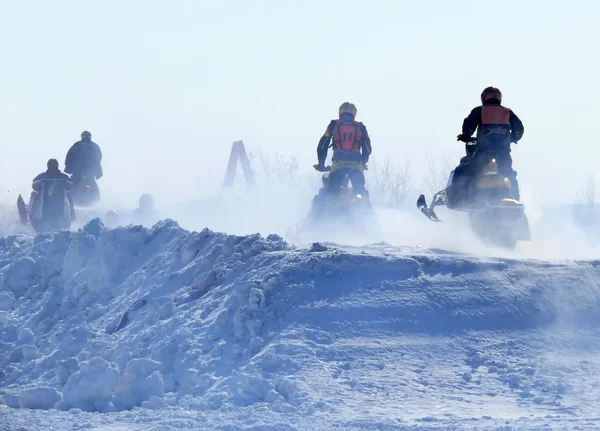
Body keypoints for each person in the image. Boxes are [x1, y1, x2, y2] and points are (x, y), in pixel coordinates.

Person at [451, 86, 524, 204]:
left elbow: (469, 125)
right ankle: (514, 200)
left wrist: (465, 136)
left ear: (484, 98)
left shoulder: (479, 110)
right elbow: (519, 128)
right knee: (508, 173)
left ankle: (459, 200)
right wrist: (513, 138)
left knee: (465, 170)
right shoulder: (508, 112)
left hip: (483, 153)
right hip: (503, 154)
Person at [314, 102, 372, 199]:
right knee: (361, 191)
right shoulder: (360, 127)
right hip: (356, 164)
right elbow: (367, 146)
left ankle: (322, 211)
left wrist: (321, 163)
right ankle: (368, 212)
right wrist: (363, 161)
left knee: (331, 191)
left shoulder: (333, 125)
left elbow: (323, 145)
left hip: (338, 163)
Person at [30, 159, 76, 231]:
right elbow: (34, 185)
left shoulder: (62, 178)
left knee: (58, 228)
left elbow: (70, 187)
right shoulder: (61, 177)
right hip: (48, 210)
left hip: (57, 210)